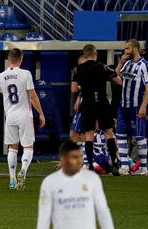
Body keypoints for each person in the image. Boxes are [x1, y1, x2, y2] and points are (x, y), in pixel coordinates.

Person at [37, 140, 114, 229]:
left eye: (80, 157)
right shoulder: (50, 182)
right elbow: (44, 215)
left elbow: (102, 210)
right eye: (74, 157)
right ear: (63, 159)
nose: (79, 161)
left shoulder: (92, 179)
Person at [0, 48, 45, 191]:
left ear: (8, 59)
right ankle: (23, 171)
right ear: (21, 59)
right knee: (28, 147)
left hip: (10, 115)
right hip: (25, 115)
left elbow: (3, 92)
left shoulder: (0, 76)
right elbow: (32, 95)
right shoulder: (26, 74)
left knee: (12, 147)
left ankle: (12, 179)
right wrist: (41, 113)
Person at [72, 44, 122, 175]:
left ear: (84, 55)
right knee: (108, 132)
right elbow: (118, 80)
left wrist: (83, 86)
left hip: (87, 103)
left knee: (89, 134)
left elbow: (73, 89)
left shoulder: (77, 69)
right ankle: (115, 164)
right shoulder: (102, 66)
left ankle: (90, 166)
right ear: (95, 54)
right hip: (102, 102)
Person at [115, 39, 148, 176]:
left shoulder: (144, 65)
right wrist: (121, 62)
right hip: (123, 106)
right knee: (120, 135)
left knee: (139, 136)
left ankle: (144, 167)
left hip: (136, 106)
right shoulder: (127, 63)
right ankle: (124, 166)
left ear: (135, 48)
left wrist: (143, 106)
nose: (125, 51)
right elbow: (115, 77)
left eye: (127, 49)